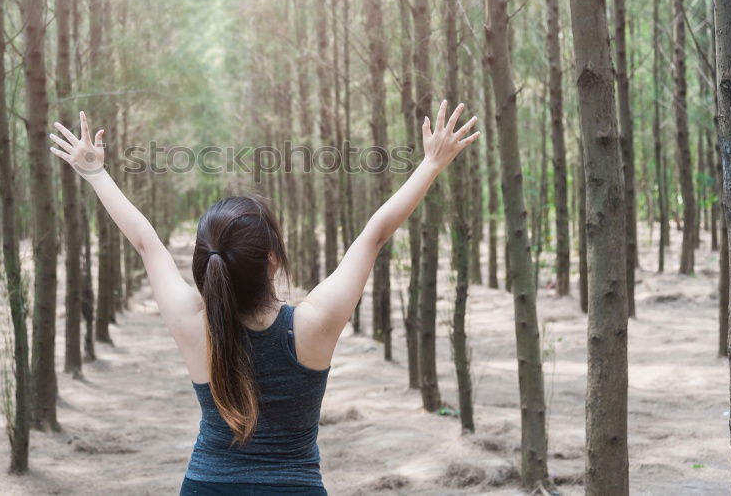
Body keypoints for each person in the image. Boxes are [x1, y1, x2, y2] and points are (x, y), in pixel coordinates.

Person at [49, 100, 480, 495]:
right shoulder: (311, 325)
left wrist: (95, 172)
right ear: (273, 258)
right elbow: (375, 235)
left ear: (205, 263)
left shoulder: (194, 324)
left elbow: (146, 242)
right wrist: (430, 164)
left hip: (207, 486)